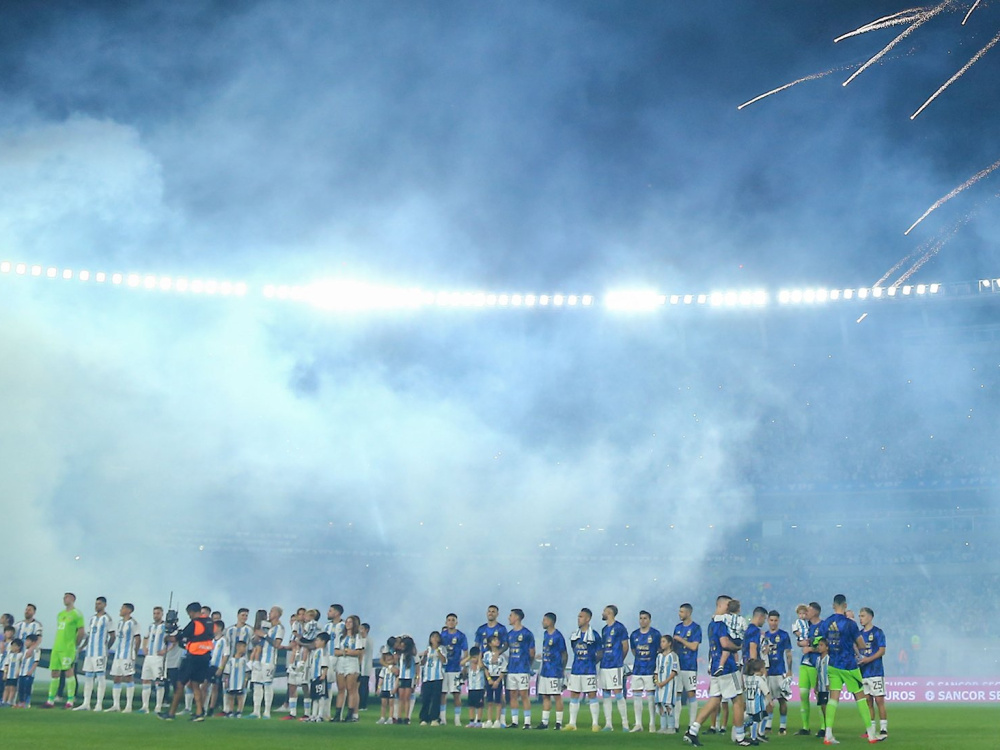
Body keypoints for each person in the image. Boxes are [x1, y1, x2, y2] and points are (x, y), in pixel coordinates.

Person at [683, 594, 750, 747]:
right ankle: (740, 737)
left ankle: (692, 731)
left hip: (715, 667)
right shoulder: (721, 624)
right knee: (738, 700)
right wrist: (739, 647)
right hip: (727, 668)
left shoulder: (712, 624)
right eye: (728, 605)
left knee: (714, 700)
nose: (729, 608)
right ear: (720, 605)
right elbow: (725, 643)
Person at [819, 594, 879, 745]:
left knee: (833, 699)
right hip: (849, 665)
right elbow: (861, 645)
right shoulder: (850, 624)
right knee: (861, 698)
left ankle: (828, 735)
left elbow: (821, 641)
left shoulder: (826, 623)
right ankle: (871, 735)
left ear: (833, 606)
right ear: (845, 605)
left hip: (833, 665)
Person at [158, 602, 214, 721]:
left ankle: (171, 713)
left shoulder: (195, 623)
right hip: (205, 657)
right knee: (195, 684)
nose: (189, 616)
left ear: (192, 612)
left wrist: (168, 637)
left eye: (189, 614)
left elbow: (179, 637)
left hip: (193, 657)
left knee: (179, 684)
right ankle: (199, 712)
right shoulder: (209, 622)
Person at [43, 592, 85, 709]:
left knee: (68, 671)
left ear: (72, 599)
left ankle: (70, 701)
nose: (64, 599)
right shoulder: (60, 614)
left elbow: (81, 632)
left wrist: (74, 644)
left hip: (68, 648)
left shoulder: (77, 614)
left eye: (66, 597)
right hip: (57, 647)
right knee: (55, 672)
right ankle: (50, 700)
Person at [75, 596, 115, 711]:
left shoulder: (107, 619)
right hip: (90, 652)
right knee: (88, 677)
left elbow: (112, 635)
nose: (96, 606)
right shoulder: (92, 619)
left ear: (104, 605)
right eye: (96, 603)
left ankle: (99, 704)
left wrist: (106, 648)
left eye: (99, 604)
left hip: (100, 652)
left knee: (100, 677)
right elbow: (89, 635)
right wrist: (82, 647)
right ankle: (86, 703)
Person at [566, 607, 601, 731]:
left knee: (592, 694)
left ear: (588, 619)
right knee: (574, 694)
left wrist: (591, 662)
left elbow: (600, 653)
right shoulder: (574, 635)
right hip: (576, 669)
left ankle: (595, 724)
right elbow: (574, 649)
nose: (578, 619)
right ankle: (572, 724)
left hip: (589, 670)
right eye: (578, 617)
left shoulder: (595, 635)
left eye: (581, 617)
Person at [248, 605, 284, 719]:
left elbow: (276, 645)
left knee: (267, 685)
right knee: (257, 684)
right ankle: (256, 711)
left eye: (272, 611)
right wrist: (256, 637)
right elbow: (254, 641)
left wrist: (264, 635)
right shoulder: (265, 625)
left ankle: (267, 711)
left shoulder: (280, 628)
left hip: (269, 660)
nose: (270, 613)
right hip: (258, 660)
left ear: (277, 614)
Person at [795, 601, 825, 737]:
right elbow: (799, 640)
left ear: (815, 612)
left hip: (815, 664)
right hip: (804, 664)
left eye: (808, 610)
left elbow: (825, 646)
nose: (805, 612)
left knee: (819, 696)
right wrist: (801, 643)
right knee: (803, 695)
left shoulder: (823, 626)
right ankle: (805, 727)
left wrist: (810, 648)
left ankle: (824, 727)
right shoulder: (805, 625)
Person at [858, 607, 888, 740]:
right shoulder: (858, 635)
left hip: (875, 671)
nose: (860, 618)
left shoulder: (877, 632)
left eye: (863, 616)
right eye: (859, 616)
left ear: (870, 617)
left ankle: (883, 729)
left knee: (879, 700)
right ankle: (870, 729)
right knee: (868, 702)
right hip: (863, 673)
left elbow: (882, 650)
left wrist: (868, 659)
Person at [598, 604, 630, 731]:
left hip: (615, 665)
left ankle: (625, 724)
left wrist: (619, 660)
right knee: (606, 693)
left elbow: (625, 646)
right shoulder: (604, 629)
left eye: (604, 611)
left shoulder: (620, 628)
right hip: (604, 665)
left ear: (610, 613)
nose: (602, 613)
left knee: (617, 693)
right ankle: (608, 724)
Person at [629, 609, 661, 733]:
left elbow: (659, 649)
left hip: (650, 669)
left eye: (645, 618)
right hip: (637, 669)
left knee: (651, 698)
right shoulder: (634, 635)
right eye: (641, 618)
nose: (642, 620)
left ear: (650, 620)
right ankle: (638, 724)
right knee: (636, 696)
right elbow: (634, 651)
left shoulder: (655, 634)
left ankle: (652, 724)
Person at [762, 609, 793, 736]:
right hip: (767, 672)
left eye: (775, 620)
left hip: (780, 672)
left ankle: (782, 726)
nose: (773, 623)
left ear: (778, 621)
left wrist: (790, 670)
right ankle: (768, 725)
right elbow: (761, 654)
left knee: (782, 700)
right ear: (768, 621)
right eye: (771, 620)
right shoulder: (764, 636)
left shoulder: (784, 635)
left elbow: (788, 653)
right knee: (769, 700)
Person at [535, 611, 567, 730]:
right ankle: (544, 722)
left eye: (544, 620)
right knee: (545, 696)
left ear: (550, 621)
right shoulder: (545, 634)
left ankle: (558, 723)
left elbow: (564, 654)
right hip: (545, 671)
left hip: (555, 671)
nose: (543, 622)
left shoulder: (558, 636)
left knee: (556, 696)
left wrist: (562, 669)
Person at [504, 608, 535, 729]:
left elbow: (532, 653)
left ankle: (527, 722)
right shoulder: (510, 634)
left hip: (522, 669)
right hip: (512, 669)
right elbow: (506, 647)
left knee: (524, 695)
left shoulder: (527, 634)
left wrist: (528, 665)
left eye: (510, 615)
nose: (509, 617)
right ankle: (514, 721)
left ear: (516, 617)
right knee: (512, 694)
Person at [672, 603, 701, 730]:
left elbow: (694, 647)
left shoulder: (696, 628)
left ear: (688, 613)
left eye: (682, 612)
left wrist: (681, 640)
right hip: (678, 666)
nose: (679, 614)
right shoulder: (677, 627)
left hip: (690, 666)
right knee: (677, 694)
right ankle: (676, 724)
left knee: (691, 694)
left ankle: (691, 724)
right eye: (679, 611)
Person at [107, 603, 141, 713]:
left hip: (127, 655)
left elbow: (138, 639)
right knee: (116, 678)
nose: (120, 610)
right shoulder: (120, 623)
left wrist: (134, 653)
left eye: (122, 608)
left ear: (128, 610)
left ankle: (128, 706)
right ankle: (116, 705)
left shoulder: (133, 623)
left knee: (128, 677)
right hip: (118, 654)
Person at [334, 614, 365, 722]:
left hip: (352, 663)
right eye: (347, 622)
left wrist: (348, 652)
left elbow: (358, 651)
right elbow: (336, 651)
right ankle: (338, 714)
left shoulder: (357, 636)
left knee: (351, 688)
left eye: (350, 622)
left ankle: (350, 714)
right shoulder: (341, 636)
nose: (347, 624)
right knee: (341, 688)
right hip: (341, 662)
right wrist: (345, 652)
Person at [440, 614, 468, 726]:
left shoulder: (461, 636)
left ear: (456, 622)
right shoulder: (442, 636)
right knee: (442, 694)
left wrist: (464, 666)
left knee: (456, 694)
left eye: (453, 620)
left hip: (455, 669)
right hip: (443, 669)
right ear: (446, 622)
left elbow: (466, 652)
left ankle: (457, 719)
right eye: (449, 620)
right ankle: (442, 718)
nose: (451, 622)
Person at [140, 606, 167, 714]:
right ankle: (145, 706)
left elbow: (173, 641)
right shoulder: (151, 626)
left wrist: (165, 650)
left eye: (158, 613)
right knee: (146, 680)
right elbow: (146, 637)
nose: (156, 615)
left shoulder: (166, 626)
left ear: (162, 614)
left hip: (159, 658)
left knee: (159, 682)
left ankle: (158, 707)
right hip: (149, 657)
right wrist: (144, 647)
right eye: (154, 613)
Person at [418, 630, 446, 725]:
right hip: (427, 677)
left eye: (436, 637)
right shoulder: (428, 649)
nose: (434, 638)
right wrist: (424, 656)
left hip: (437, 677)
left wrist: (437, 650)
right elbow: (422, 663)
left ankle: (435, 718)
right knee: (425, 698)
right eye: (432, 637)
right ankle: (424, 718)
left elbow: (444, 660)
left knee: (436, 698)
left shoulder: (442, 648)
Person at [323, 604, 345, 720]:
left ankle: (339, 714)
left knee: (341, 686)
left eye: (330, 611)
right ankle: (325, 712)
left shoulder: (344, 625)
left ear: (337, 613)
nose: (328, 613)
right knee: (327, 685)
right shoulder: (327, 626)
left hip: (341, 658)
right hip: (328, 657)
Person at [303, 631, 331, 722]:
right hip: (314, 677)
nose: (316, 642)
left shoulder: (323, 652)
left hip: (320, 677)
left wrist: (323, 674)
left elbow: (325, 664)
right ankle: (314, 714)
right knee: (314, 697)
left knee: (321, 697)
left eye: (318, 640)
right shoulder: (315, 651)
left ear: (323, 642)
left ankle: (320, 715)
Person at [654, 634, 679, 734]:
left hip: (669, 685)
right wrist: (657, 682)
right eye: (661, 642)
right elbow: (656, 671)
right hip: (659, 685)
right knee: (660, 705)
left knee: (668, 704)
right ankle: (663, 726)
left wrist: (664, 682)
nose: (662, 644)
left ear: (669, 643)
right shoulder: (659, 656)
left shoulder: (673, 656)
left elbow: (674, 671)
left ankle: (671, 727)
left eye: (664, 641)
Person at [483, 634, 507, 729]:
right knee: (489, 700)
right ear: (490, 643)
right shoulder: (486, 655)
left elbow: (503, 670)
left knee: (498, 700)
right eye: (494, 640)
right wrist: (489, 679)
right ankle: (489, 720)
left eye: (497, 640)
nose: (497, 642)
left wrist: (497, 681)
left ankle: (497, 720)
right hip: (489, 678)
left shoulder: (502, 656)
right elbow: (485, 668)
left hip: (498, 678)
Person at [743, 659, 769, 744]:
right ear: (761, 669)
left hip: (749, 704)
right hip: (757, 705)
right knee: (756, 720)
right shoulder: (759, 680)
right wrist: (771, 701)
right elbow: (766, 692)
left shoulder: (748, 678)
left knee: (764, 717)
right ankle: (754, 737)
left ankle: (759, 733)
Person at [206, 620, 229, 716]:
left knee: (214, 687)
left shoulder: (224, 640)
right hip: (209, 666)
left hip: (217, 666)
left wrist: (221, 667)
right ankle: (203, 706)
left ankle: (211, 708)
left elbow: (225, 655)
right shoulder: (211, 639)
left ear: (219, 628)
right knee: (204, 686)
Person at [224, 640, 249, 717]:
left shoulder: (244, 660)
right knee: (231, 697)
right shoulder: (231, 660)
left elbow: (247, 672)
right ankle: (230, 711)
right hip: (231, 683)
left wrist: (245, 681)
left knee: (240, 697)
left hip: (240, 682)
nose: (245, 649)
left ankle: (239, 711)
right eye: (243, 647)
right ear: (238, 647)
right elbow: (227, 673)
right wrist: (226, 682)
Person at [395, 635, 417, 724]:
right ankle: (399, 717)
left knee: (407, 698)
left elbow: (416, 668)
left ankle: (407, 717)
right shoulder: (400, 655)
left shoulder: (412, 656)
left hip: (409, 678)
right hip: (402, 677)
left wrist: (415, 681)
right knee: (401, 698)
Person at [464, 645, 486, 727]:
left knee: (479, 706)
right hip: (471, 688)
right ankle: (471, 721)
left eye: (475, 657)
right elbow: (461, 663)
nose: (474, 659)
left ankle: (479, 721)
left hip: (479, 688)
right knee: (471, 705)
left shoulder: (480, 664)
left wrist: (479, 657)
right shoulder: (468, 664)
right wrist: (469, 657)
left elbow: (481, 666)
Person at [378, 644, 398, 725]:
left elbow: (397, 678)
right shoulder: (384, 669)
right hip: (384, 689)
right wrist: (379, 687)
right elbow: (381, 679)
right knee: (383, 704)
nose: (388, 659)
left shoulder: (395, 669)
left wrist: (395, 688)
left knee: (391, 704)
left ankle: (390, 718)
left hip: (391, 689)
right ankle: (382, 717)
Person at [3, 637, 23, 705]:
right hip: (9, 674)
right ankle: (3, 700)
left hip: (15, 674)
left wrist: (18, 671)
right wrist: (5, 673)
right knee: (6, 688)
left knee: (12, 688)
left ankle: (9, 701)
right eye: (12, 646)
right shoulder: (10, 655)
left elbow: (21, 664)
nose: (13, 647)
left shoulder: (20, 655)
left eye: (14, 646)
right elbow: (6, 664)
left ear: (19, 647)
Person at [359, 622, 373, 710]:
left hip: (364, 666)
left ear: (366, 630)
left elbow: (362, 652)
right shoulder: (367, 639)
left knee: (363, 686)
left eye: (361, 629)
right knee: (363, 686)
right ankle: (362, 704)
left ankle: (362, 704)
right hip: (364, 666)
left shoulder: (366, 640)